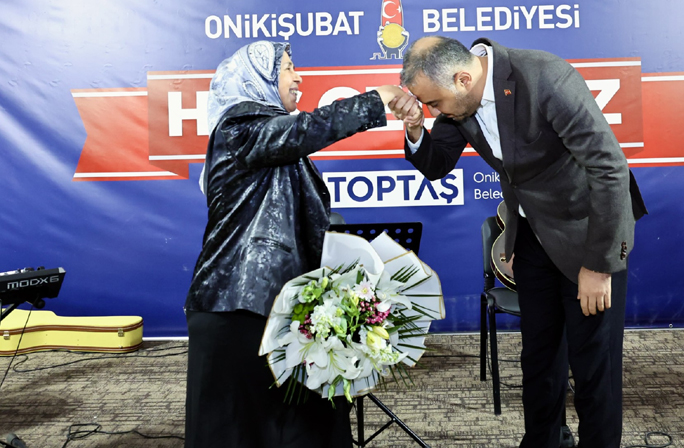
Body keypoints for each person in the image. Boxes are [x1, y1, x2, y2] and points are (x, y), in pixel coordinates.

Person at [388, 36, 648, 448]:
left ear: (462, 79)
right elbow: (437, 164)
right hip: (530, 237)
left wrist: (599, 266)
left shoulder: (544, 77)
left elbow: (609, 168)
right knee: (539, 362)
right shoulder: (459, 99)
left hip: (587, 233)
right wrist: (416, 128)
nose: (434, 112)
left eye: (434, 104)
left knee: (593, 366)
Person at [184, 40, 404, 448]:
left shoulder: (270, 140)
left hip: (280, 310)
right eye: (286, 67)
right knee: (242, 431)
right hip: (240, 311)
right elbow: (304, 130)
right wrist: (377, 100)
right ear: (258, 80)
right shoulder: (239, 128)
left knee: (309, 423)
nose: (298, 76)